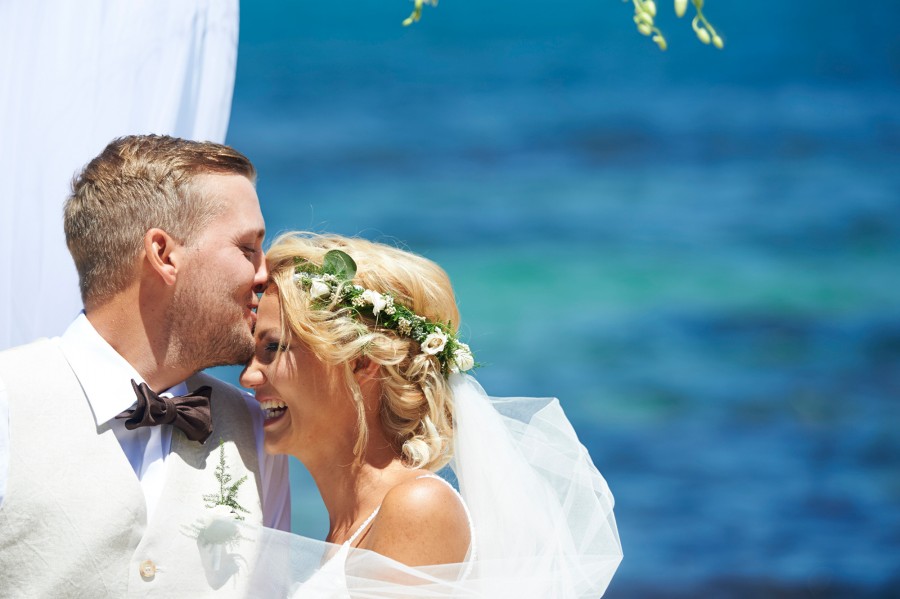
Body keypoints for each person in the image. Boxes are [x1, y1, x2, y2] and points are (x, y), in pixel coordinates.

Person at [237, 232, 622, 597]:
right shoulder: (346, 530)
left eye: (273, 348)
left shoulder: (416, 508)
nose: (248, 376)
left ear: (361, 363)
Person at [0, 134, 290, 597]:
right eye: (247, 248)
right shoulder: (8, 401)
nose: (264, 275)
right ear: (163, 254)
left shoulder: (258, 433)